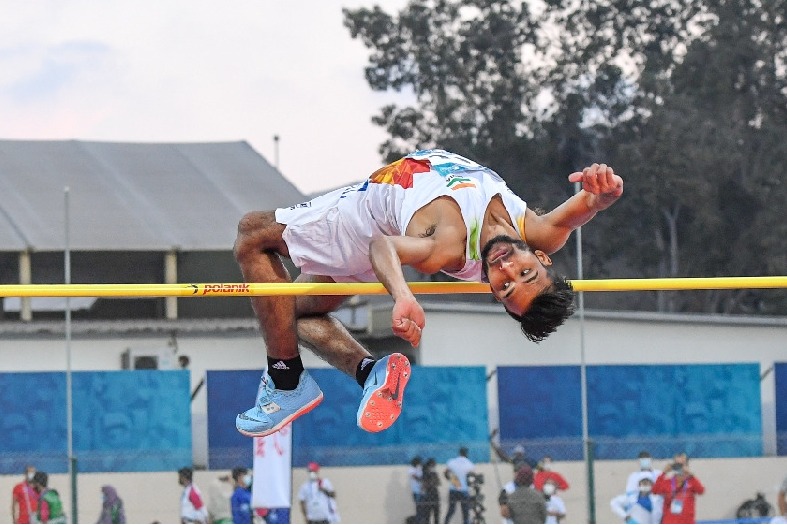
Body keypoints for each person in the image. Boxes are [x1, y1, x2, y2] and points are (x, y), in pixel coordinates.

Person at [232, 149, 624, 437]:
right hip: (375, 218)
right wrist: (601, 193)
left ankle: (285, 383)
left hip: (359, 220)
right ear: (541, 257)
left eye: (504, 286)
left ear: (492, 293)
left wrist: (402, 295)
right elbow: (587, 204)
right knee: (283, 314)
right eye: (524, 272)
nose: (506, 268)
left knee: (252, 235)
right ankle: (370, 371)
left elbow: (383, 247)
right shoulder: (540, 231)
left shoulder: (447, 245)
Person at [652, 453, 704, 524]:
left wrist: (690, 475)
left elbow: (701, 491)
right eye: (677, 465)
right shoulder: (668, 482)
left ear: (686, 465)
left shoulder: (691, 481)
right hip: (670, 521)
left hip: (687, 521)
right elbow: (655, 490)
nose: (680, 468)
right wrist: (664, 473)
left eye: (682, 464)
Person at [443, 446, 476, 524]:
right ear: (466, 454)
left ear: (459, 453)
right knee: (465, 511)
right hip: (464, 490)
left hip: (453, 488)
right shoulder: (469, 464)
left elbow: (446, 473)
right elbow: (472, 476)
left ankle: (446, 522)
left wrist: (453, 481)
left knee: (451, 510)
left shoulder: (452, 461)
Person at [420, 458, 441, 524]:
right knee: (431, 516)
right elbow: (425, 485)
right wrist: (432, 482)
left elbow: (438, 483)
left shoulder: (433, 473)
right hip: (430, 496)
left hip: (431, 496)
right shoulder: (425, 474)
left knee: (432, 516)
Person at [408, 456, 423, 522]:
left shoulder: (420, 468)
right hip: (416, 491)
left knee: (423, 506)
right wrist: (422, 480)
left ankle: (421, 519)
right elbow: (415, 477)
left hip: (422, 491)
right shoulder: (411, 469)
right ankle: (418, 520)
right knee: (418, 506)